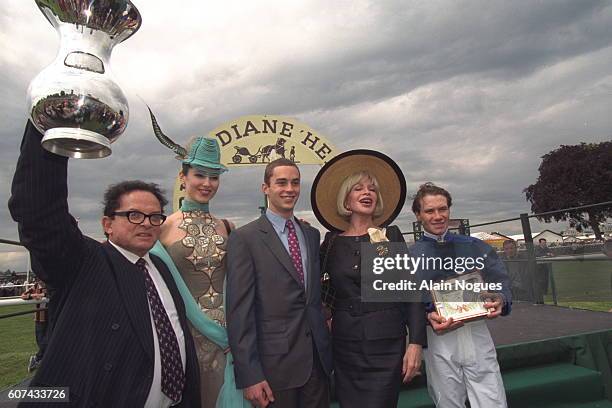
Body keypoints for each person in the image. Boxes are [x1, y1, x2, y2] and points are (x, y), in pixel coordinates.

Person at [9, 121, 200, 407]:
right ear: (107, 224)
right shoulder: (84, 263)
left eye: (155, 217)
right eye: (134, 215)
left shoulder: (160, 268)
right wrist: (46, 125)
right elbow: (39, 211)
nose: (147, 224)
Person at [311, 150, 427, 408]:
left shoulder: (391, 236)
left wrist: (416, 343)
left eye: (372, 189)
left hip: (387, 346)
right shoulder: (331, 243)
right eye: (358, 189)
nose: (367, 193)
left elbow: (410, 294)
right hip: (345, 346)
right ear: (347, 200)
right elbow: (313, 287)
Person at [147, 110, 247, 407]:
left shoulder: (227, 227)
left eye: (214, 177)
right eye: (200, 175)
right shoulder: (161, 229)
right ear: (183, 176)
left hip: (230, 341)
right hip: (185, 340)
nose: (207, 183)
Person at [226, 158, 332, 408]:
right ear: (266, 188)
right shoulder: (245, 238)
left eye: (295, 183)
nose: (289, 189)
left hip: (317, 363)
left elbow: (311, 298)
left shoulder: (310, 234)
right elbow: (239, 313)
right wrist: (250, 375)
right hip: (275, 368)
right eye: (281, 182)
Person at [411, 182, 512, 408]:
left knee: (492, 398)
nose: (438, 216)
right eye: (430, 211)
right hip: (438, 338)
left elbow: (501, 284)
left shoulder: (476, 246)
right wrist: (428, 314)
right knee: (447, 401)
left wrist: (501, 299)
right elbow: (409, 303)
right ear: (418, 215)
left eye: (442, 209)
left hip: (476, 333)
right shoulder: (410, 256)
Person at [20, 277, 48, 373]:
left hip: (50, 318)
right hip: (39, 318)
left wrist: (41, 294)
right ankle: (39, 360)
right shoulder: (35, 286)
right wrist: (33, 296)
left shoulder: (51, 285)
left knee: (47, 341)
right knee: (41, 342)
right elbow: (23, 295)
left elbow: (53, 294)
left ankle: (37, 359)